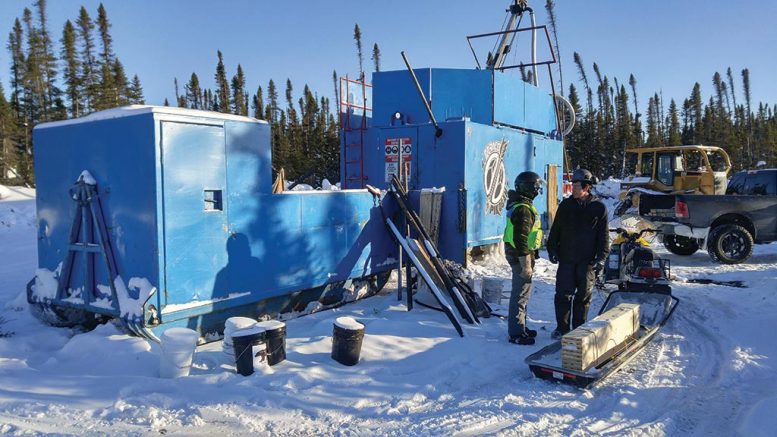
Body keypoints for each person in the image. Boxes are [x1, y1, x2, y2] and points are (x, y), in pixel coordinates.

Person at [546, 169, 609, 339]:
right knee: (563, 295)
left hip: (587, 262)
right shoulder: (566, 205)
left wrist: (601, 258)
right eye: (572, 185)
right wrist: (552, 248)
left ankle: (578, 330)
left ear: (586, 187)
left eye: (576, 186)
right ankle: (562, 328)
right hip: (567, 258)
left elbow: (603, 237)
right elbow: (556, 229)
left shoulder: (598, 208)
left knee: (583, 297)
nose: (572, 189)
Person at [503, 171, 544, 345]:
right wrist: (526, 263)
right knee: (520, 294)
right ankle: (516, 333)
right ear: (528, 188)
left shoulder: (521, 205)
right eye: (536, 187)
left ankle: (521, 326)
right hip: (520, 256)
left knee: (523, 293)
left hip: (520, 254)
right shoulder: (523, 209)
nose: (538, 190)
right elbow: (521, 238)